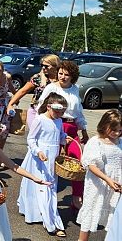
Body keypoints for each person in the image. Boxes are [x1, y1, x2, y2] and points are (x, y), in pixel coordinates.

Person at [38, 60, 88, 210]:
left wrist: (83, 129)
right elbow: (41, 107)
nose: (63, 77)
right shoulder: (51, 87)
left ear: (73, 76)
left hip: (71, 128)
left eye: (67, 74)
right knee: (51, 163)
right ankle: (45, 198)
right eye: (60, 73)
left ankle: (76, 197)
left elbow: (78, 111)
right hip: (55, 126)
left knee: (78, 164)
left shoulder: (75, 89)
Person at [17, 93, 68, 237]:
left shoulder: (58, 121)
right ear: (49, 106)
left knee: (50, 187)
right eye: (57, 111)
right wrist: (38, 151)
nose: (59, 115)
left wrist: (64, 138)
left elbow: (59, 135)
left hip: (52, 157)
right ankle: (51, 222)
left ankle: (45, 214)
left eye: (62, 112)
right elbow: (31, 139)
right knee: (43, 186)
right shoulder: (39, 120)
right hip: (41, 159)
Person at [77, 109, 122, 241]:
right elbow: (91, 165)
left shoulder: (120, 142)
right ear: (105, 125)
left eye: (120, 130)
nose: (117, 133)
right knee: (91, 210)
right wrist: (107, 179)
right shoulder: (96, 141)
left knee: (113, 214)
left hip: (116, 183)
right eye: (114, 130)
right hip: (98, 183)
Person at [7, 54, 61, 132]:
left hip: (54, 113)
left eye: (46, 66)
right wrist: (11, 104)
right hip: (36, 111)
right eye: (42, 65)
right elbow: (23, 91)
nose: (43, 68)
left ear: (55, 66)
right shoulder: (38, 78)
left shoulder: (61, 79)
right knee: (35, 134)